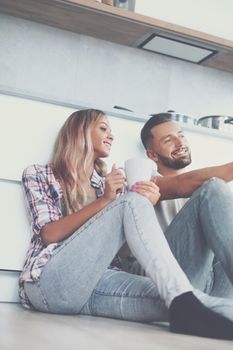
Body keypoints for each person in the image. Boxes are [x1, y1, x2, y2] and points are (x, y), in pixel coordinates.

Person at [19, 108, 233, 340]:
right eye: (103, 128)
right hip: (52, 281)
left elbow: (123, 241)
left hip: (103, 282)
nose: (111, 135)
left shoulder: (109, 183)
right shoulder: (40, 174)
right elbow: (49, 234)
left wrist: (144, 204)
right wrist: (108, 201)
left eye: (111, 131)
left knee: (185, 302)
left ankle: (182, 300)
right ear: (79, 131)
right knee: (134, 201)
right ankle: (182, 299)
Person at [139, 112, 233, 300]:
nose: (180, 142)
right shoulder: (144, 181)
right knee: (214, 187)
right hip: (165, 278)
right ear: (152, 155)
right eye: (168, 140)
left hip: (209, 282)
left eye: (181, 135)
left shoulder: (205, 196)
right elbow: (182, 184)